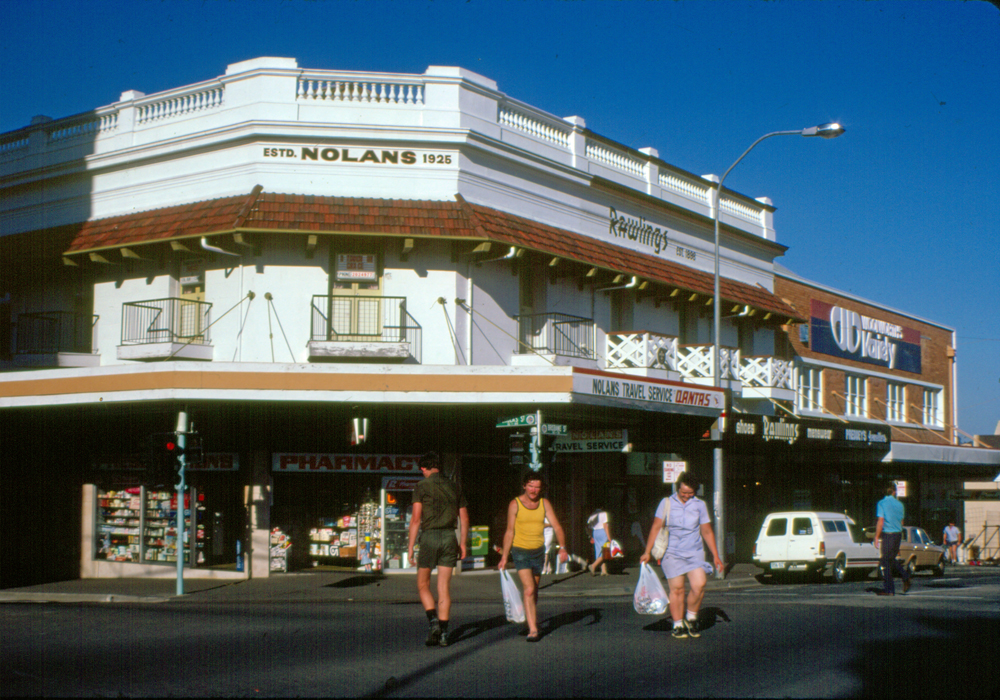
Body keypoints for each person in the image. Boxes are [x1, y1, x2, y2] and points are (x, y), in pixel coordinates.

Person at [640, 474, 724, 639]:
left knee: (699, 585)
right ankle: (678, 624)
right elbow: (656, 527)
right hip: (672, 553)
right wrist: (647, 551)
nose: (686, 496)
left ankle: (691, 618)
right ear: (678, 488)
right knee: (677, 589)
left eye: (690, 493)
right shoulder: (666, 503)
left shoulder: (700, 505)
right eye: (683, 492)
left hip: (694, 552)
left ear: (695, 491)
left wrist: (716, 555)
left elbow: (706, 530)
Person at [497, 473, 569, 642]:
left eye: (537, 487)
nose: (534, 490)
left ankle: (529, 619)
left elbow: (557, 527)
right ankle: (533, 629)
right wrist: (505, 556)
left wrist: (563, 548)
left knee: (534, 590)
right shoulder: (515, 504)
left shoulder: (545, 504)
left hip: (538, 551)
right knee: (529, 589)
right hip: (520, 551)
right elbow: (509, 531)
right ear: (524, 486)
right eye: (530, 486)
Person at [408, 452, 469, 647]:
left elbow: (416, 518)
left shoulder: (421, 487)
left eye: (422, 470)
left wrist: (410, 547)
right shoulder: (454, 486)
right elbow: (464, 518)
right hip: (449, 537)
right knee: (443, 587)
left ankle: (433, 621)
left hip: (429, 537)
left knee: (423, 584)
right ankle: (443, 633)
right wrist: (463, 543)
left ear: (424, 468)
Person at [874, 483, 911, 596]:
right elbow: (902, 522)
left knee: (885, 561)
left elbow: (881, 521)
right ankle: (903, 578)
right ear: (894, 492)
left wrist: (876, 536)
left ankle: (891, 588)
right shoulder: (900, 504)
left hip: (888, 534)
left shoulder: (881, 503)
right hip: (898, 534)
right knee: (890, 559)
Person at [587, 507, 613, 576]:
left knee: (599, 551)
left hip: (595, 533)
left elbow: (588, 527)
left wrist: (591, 536)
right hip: (602, 532)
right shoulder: (603, 513)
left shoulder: (592, 515)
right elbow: (605, 525)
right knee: (605, 551)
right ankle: (593, 565)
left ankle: (603, 571)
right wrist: (609, 537)